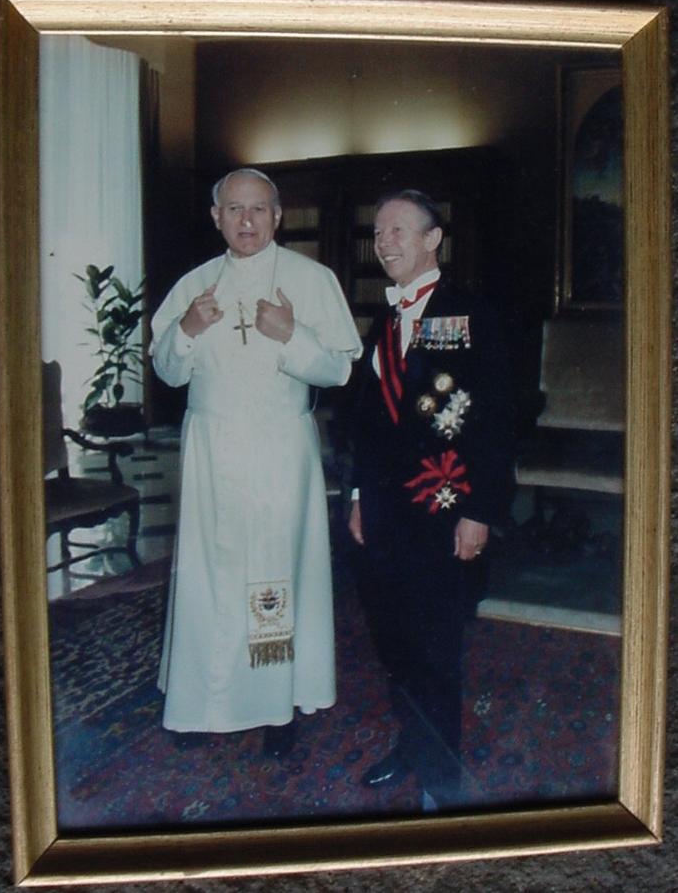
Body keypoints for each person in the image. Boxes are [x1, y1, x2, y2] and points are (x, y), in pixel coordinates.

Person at [151, 167, 362, 758]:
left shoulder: (311, 279)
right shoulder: (194, 285)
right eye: (235, 209)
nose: (247, 220)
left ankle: (276, 703)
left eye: (259, 209)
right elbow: (168, 370)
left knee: (274, 572)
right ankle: (199, 702)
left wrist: (291, 335)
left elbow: (339, 370)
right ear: (216, 217)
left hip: (278, 447)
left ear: (279, 216)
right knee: (207, 575)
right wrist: (187, 328)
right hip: (211, 449)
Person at [348, 189, 514, 808]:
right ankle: (413, 744)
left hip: (445, 509)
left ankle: (442, 785)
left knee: (435, 647)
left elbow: (496, 420)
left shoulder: (472, 314)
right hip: (384, 511)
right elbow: (367, 422)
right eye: (378, 231)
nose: (383, 242)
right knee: (392, 640)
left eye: (397, 230)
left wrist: (481, 510)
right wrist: (358, 494)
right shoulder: (384, 320)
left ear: (432, 239)